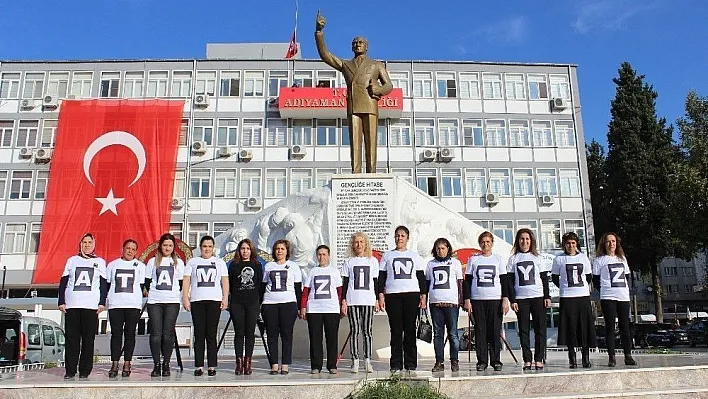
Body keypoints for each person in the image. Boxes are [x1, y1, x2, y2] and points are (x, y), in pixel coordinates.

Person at [314, 10, 393, 174]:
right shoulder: (345, 65)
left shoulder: (376, 65)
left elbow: (389, 86)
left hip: (370, 105)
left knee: (371, 142)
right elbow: (325, 55)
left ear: (366, 46)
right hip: (353, 107)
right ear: (352, 46)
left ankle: (372, 172)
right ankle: (355, 172)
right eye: (355, 42)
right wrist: (319, 32)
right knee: (355, 142)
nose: (357, 44)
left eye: (360, 42)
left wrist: (378, 89)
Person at [58, 233, 108, 379]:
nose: (87, 245)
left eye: (89, 242)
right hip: (72, 305)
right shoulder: (72, 260)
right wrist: (61, 300)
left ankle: (85, 371)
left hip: (91, 306)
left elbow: (104, 284)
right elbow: (63, 281)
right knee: (72, 339)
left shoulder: (100, 262)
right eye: (84, 242)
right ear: (80, 244)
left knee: (88, 340)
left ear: (94, 244)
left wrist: (102, 302)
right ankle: (70, 371)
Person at [377, 225, 426, 372]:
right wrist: (380, 294)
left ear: (407, 238)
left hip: (412, 294)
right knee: (396, 330)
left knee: (410, 330)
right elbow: (381, 277)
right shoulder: (387, 255)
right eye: (397, 236)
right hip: (393, 295)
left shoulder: (414, 256)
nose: (400, 238)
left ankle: (410, 362)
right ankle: (396, 363)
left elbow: (421, 277)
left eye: (402, 236)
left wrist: (423, 295)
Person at [183, 236, 229, 376]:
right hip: (197, 301)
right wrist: (185, 298)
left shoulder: (219, 262)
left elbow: (225, 281)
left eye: (209, 246)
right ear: (200, 247)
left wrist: (225, 297)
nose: (207, 249)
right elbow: (186, 281)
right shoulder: (193, 262)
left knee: (211, 334)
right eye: (204, 246)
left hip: (214, 300)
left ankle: (212, 366)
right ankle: (199, 365)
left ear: (213, 248)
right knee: (199, 333)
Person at [463, 232, 510, 371]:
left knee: (494, 331)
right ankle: (482, 361)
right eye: (483, 242)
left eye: (488, 242)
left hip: (495, 300)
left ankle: (496, 360)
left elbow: (504, 281)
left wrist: (505, 299)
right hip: (478, 300)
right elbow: (468, 281)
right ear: (480, 244)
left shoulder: (498, 259)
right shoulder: (474, 259)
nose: (486, 244)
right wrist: (467, 299)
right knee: (480, 331)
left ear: (492, 243)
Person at [507, 228, 550, 370]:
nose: (524, 242)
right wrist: (513, 300)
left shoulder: (537, 257)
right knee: (524, 329)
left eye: (527, 239)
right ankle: (527, 359)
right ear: (517, 241)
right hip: (521, 299)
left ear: (531, 241)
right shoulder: (513, 259)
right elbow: (510, 281)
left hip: (537, 297)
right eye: (521, 239)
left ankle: (539, 358)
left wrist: (547, 296)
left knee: (540, 329)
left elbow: (544, 278)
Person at [552, 232, 596, 368]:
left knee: (584, 327)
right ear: (564, 245)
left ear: (577, 244)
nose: (571, 246)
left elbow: (588, 277)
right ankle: (572, 358)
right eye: (568, 243)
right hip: (567, 297)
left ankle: (585, 357)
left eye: (573, 243)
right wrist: (565, 287)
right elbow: (555, 278)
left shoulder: (583, 258)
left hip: (582, 296)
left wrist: (581, 288)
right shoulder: (559, 259)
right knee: (570, 327)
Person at [593, 232, 637, 367]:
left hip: (623, 296)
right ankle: (611, 357)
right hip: (608, 297)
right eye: (608, 242)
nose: (611, 244)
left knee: (625, 326)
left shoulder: (622, 259)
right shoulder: (599, 260)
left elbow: (627, 277)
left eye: (613, 241)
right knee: (610, 327)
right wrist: (606, 290)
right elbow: (596, 280)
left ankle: (628, 355)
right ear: (604, 244)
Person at [144, 233, 185, 378]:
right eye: (165, 245)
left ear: (174, 247)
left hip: (172, 301)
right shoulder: (152, 262)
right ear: (160, 246)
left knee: (168, 334)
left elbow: (180, 284)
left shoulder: (178, 263)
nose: (167, 248)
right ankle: (156, 364)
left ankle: (166, 363)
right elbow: (147, 283)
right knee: (156, 334)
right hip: (155, 301)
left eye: (170, 245)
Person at [106, 239, 146, 378]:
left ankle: (127, 363)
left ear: (136, 251)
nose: (130, 251)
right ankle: (115, 363)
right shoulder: (112, 265)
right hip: (116, 304)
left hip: (132, 305)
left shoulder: (140, 266)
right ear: (123, 249)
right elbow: (107, 284)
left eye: (133, 249)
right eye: (128, 248)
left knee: (130, 334)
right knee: (116, 335)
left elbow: (141, 286)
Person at [261, 239, 303, 375]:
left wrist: (300, 306)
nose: (279, 251)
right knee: (272, 335)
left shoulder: (293, 266)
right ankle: (274, 364)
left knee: (286, 334)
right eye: (277, 248)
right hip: (270, 303)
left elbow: (298, 289)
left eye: (282, 249)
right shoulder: (268, 266)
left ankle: (285, 364)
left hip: (288, 303)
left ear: (287, 251)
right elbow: (263, 286)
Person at [340, 232, 379, 373]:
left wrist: (376, 299)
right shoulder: (348, 262)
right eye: (356, 242)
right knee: (355, 330)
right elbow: (345, 283)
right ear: (352, 244)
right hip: (353, 300)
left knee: (367, 331)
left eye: (362, 242)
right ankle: (355, 360)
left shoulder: (372, 261)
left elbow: (375, 282)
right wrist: (343, 300)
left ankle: (367, 360)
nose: (359, 245)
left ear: (366, 244)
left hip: (368, 300)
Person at [301, 245, 342, 374]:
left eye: (324, 254)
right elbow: (306, 291)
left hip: (331, 309)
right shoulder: (312, 271)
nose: (322, 257)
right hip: (314, 309)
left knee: (332, 338)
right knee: (315, 338)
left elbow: (340, 291)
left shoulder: (334, 271)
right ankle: (316, 365)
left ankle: (332, 365)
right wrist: (303, 307)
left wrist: (341, 306)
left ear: (328, 256)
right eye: (319, 254)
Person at [425, 237, 464, 373]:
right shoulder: (430, 264)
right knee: (438, 335)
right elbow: (427, 283)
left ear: (448, 249)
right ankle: (439, 361)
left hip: (451, 304)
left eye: (443, 248)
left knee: (453, 334)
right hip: (435, 304)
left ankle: (454, 360)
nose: (440, 251)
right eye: (438, 248)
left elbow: (460, 283)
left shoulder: (456, 263)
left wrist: (462, 300)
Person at [228, 238, 263, 375]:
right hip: (237, 303)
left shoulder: (257, 265)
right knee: (239, 333)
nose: (245, 251)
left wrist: (258, 300)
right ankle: (239, 362)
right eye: (243, 248)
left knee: (250, 333)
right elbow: (230, 284)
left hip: (252, 303)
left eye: (248, 248)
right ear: (239, 250)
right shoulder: (233, 265)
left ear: (251, 250)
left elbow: (260, 284)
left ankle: (248, 362)